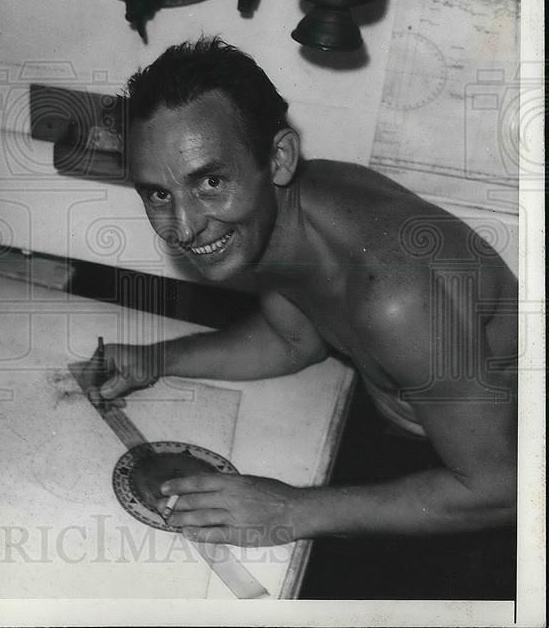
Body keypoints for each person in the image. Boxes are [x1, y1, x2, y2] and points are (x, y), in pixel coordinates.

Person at [93, 37, 518, 599]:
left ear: (279, 158)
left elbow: (500, 489)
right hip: (434, 445)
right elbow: (292, 338)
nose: (184, 226)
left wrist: (288, 509)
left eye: (210, 182)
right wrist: (160, 358)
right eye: (158, 194)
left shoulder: (396, 295)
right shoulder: (293, 217)